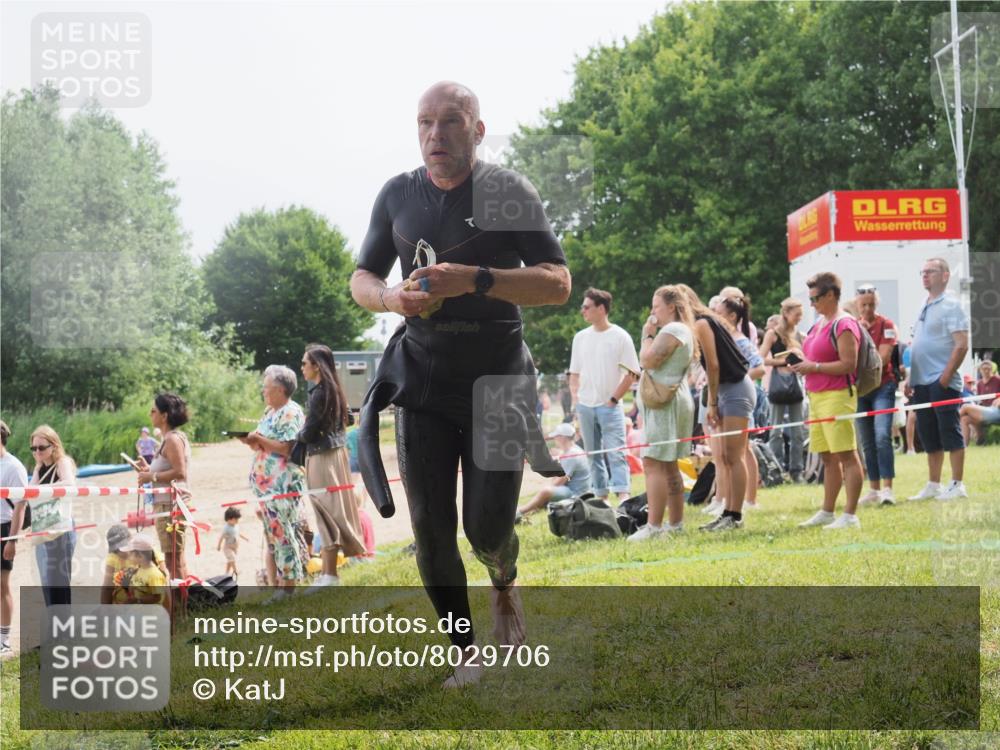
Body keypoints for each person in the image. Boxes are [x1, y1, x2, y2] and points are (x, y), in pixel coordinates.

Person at [349, 81, 571, 687]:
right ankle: (465, 652)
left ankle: (503, 581)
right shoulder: (397, 194)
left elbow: (556, 283)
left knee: (488, 527)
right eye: (424, 122)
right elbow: (363, 275)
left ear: (477, 130)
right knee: (430, 526)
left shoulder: (507, 192)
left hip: (497, 381)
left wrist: (472, 280)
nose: (435, 134)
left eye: (451, 122)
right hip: (421, 379)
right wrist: (391, 297)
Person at [791, 272, 864, 530]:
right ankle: (827, 511)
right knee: (827, 457)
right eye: (810, 299)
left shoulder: (844, 324)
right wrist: (801, 361)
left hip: (837, 396)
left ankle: (850, 514)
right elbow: (815, 357)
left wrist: (814, 366)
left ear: (831, 295)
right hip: (817, 395)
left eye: (816, 298)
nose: (812, 304)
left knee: (846, 455)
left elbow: (848, 364)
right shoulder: (820, 323)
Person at [296, 345, 366, 591]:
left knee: (324, 511)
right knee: (333, 510)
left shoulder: (319, 393)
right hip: (337, 454)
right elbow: (348, 419)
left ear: (316, 365)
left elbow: (310, 431)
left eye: (305, 363)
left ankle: (330, 575)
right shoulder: (335, 389)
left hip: (322, 457)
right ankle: (329, 573)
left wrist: (298, 435)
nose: (302, 367)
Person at [628, 285, 696, 540]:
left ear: (671, 307)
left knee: (653, 462)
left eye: (656, 306)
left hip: (666, 405)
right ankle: (675, 524)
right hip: (670, 402)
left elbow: (648, 360)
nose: (652, 311)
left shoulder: (674, 330)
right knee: (667, 465)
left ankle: (654, 527)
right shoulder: (681, 330)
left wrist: (647, 335)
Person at [686, 290, 753, 533]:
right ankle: (727, 511)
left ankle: (735, 515)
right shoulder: (704, 322)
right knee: (724, 456)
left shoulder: (703, 323)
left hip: (735, 390)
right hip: (727, 390)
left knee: (734, 456)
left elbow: (713, 366)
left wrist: (712, 402)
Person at [240, 365, 310, 595]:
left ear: (280, 389)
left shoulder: (291, 412)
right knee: (274, 536)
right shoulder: (269, 412)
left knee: (283, 534)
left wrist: (259, 438)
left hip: (283, 485)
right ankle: (281, 584)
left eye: (266, 388)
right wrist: (252, 441)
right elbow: (266, 444)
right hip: (266, 487)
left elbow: (287, 448)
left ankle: (288, 587)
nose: (263, 392)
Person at [905, 258, 970, 501]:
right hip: (922, 381)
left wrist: (945, 377)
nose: (925, 275)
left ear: (944, 276)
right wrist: (912, 377)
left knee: (949, 430)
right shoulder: (925, 303)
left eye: (930, 271)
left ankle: (957, 484)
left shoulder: (952, 304)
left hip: (941, 382)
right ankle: (934, 484)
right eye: (923, 272)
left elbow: (961, 345)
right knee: (928, 434)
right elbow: (918, 344)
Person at [569, 288, 640, 504]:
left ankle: (623, 495)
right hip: (585, 406)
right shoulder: (580, 338)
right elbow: (574, 374)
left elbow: (632, 373)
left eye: (586, 307)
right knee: (593, 455)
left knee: (616, 452)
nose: (583, 311)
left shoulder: (620, 336)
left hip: (610, 406)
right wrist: (576, 401)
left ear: (601, 308)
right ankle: (600, 495)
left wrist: (613, 400)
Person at [134, 393, 191, 581]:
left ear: (164, 416)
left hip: (171, 506)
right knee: (175, 558)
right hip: (167, 505)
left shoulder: (173, 439)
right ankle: (183, 604)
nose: (150, 414)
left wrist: (151, 475)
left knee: (173, 559)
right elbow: (167, 471)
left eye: (153, 411)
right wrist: (148, 470)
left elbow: (180, 472)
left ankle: (181, 606)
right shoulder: (168, 439)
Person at [717, 294, 765, 510]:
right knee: (729, 453)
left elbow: (759, 367)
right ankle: (728, 499)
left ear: (732, 315)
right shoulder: (725, 338)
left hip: (739, 401)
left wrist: (739, 380)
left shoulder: (741, 341)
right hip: (725, 399)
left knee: (743, 451)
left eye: (719, 313)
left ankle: (750, 499)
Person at [853, 284, 899, 506]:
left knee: (882, 435)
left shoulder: (887, 325)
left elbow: (884, 358)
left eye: (871, 304)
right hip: (860, 390)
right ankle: (873, 488)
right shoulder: (853, 326)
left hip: (883, 386)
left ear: (876, 303)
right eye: (864, 305)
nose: (868, 308)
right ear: (857, 305)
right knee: (866, 441)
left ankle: (888, 488)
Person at [28, 425, 77, 605]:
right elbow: (30, 492)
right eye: (34, 448)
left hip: (62, 529)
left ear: (53, 445)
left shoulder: (62, 462)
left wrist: (42, 489)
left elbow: (69, 484)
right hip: (44, 527)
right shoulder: (39, 467)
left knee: (59, 582)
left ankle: (63, 628)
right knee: (47, 581)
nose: (37, 451)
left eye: (41, 447)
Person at [759, 298, 806, 481]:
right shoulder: (773, 334)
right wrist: (782, 361)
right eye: (797, 315)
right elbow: (761, 358)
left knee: (798, 430)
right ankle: (776, 469)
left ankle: (797, 470)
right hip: (778, 383)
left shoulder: (800, 335)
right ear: (786, 314)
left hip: (796, 383)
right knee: (776, 430)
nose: (799, 318)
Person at [516, 423, 591, 517]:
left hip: (576, 494)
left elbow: (558, 482)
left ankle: (520, 512)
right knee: (546, 491)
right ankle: (530, 510)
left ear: (562, 438)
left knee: (546, 490)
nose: (554, 439)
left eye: (556, 437)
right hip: (581, 490)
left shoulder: (570, 456)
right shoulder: (574, 450)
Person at [1, 421, 29, 656]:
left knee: (2, 586)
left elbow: (20, 506)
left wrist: (12, 539)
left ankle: (4, 640)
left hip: (3, 529)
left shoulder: (13, 466)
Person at [101, 523, 169, 605]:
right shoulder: (113, 557)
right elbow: (107, 587)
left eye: (122, 548)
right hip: (123, 604)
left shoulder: (147, 550)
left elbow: (165, 585)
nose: (119, 553)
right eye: (116, 550)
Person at [120, 535, 169, 610]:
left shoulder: (154, 575)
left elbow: (157, 597)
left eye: (130, 554)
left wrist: (137, 601)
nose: (128, 557)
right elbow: (136, 589)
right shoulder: (139, 569)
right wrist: (126, 585)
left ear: (140, 556)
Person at [961, 360, 1000, 445]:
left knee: (965, 407)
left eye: (988, 368)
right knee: (965, 419)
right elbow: (980, 400)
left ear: (992, 369)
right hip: (985, 410)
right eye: (984, 368)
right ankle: (963, 446)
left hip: (996, 410)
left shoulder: (997, 380)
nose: (986, 371)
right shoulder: (979, 384)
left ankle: (950, 425)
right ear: (980, 370)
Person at [218, 507, 249, 579]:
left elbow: (238, 533)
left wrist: (245, 538)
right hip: (227, 547)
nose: (237, 521)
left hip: (234, 547)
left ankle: (226, 573)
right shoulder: (226, 528)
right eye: (236, 519)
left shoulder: (235, 525)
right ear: (229, 519)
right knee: (232, 559)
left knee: (230, 561)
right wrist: (219, 546)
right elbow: (221, 537)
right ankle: (236, 571)